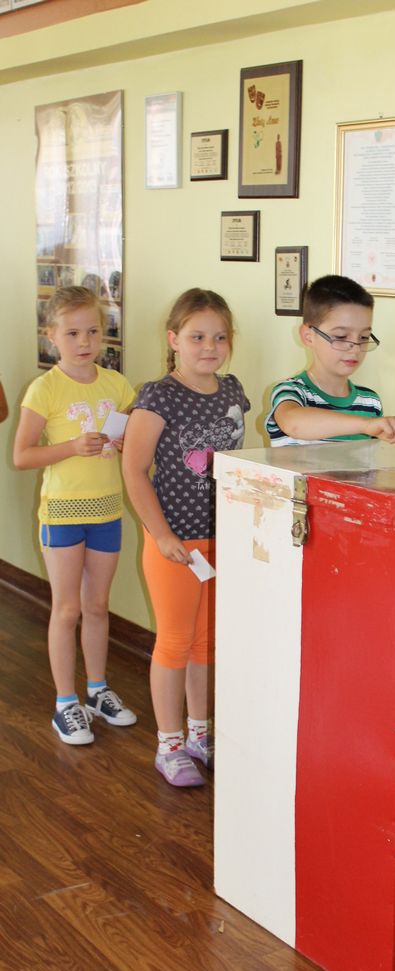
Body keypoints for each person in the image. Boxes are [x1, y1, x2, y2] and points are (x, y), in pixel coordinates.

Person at [122, 288, 250, 787]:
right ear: (174, 339)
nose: (209, 347)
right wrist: (161, 535)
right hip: (176, 545)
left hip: (224, 539)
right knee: (175, 643)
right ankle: (169, 744)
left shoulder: (233, 390)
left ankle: (200, 732)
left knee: (206, 644)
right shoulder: (158, 396)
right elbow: (134, 471)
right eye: (197, 337)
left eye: (219, 337)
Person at [13, 286, 137, 745]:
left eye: (93, 331)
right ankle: (66, 703)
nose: (84, 341)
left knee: (97, 606)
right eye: (72, 333)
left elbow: (131, 440)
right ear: (51, 336)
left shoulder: (117, 384)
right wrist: (71, 446)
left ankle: (98, 691)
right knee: (67, 609)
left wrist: (124, 442)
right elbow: (22, 456)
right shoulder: (44, 388)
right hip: (63, 512)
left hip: (107, 509)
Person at [265, 274, 395, 449]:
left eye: (364, 337)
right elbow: (294, 424)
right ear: (308, 336)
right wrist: (366, 425)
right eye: (340, 336)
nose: (355, 349)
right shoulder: (291, 392)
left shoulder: (370, 402)